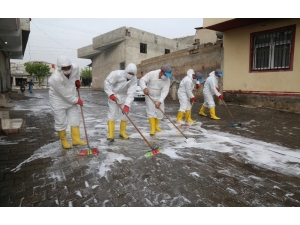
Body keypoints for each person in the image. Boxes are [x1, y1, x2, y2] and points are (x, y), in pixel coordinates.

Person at [48, 55, 87, 149]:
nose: (67, 69)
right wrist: (77, 100)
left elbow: (76, 76)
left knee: (75, 119)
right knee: (60, 121)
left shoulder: (75, 67)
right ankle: (64, 140)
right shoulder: (55, 78)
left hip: (71, 95)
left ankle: (76, 140)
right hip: (58, 99)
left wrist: (78, 81)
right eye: (64, 68)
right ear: (60, 68)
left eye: (68, 67)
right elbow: (64, 95)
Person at [104, 63, 137, 142]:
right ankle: (111, 134)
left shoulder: (134, 79)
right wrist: (110, 94)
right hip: (114, 96)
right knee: (112, 114)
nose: (131, 75)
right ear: (126, 71)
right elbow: (107, 82)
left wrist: (127, 105)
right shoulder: (116, 74)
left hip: (125, 97)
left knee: (125, 115)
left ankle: (122, 132)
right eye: (129, 73)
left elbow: (132, 92)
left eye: (132, 74)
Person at [139, 65, 172, 136]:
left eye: (167, 75)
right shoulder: (152, 74)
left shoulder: (167, 80)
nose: (165, 76)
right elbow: (142, 80)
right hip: (149, 96)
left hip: (159, 97)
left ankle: (156, 125)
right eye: (165, 74)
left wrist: (160, 101)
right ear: (161, 71)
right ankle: (152, 129)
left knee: (160, 113)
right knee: (151, 112)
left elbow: (165, 91)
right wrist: (144, 88)